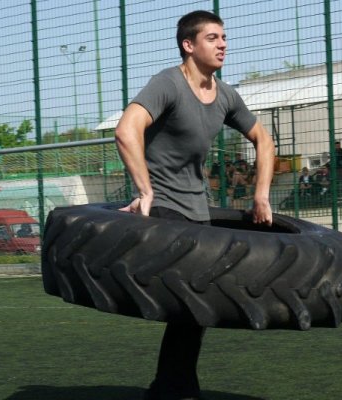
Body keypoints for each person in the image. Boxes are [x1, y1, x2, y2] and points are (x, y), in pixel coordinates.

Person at [115, 10, 274, 400]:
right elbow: (126, 129)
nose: (223, 44)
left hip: (198, 211)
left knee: (197, 309)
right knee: (192, 299)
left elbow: (265, 141)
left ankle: (171, 386)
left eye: (224, 37)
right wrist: (145, 190)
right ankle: (177, 387)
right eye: (213, 38)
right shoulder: (167, 84)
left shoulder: (225, 95)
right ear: (189, 45)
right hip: (165, 210)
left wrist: (260, 195)